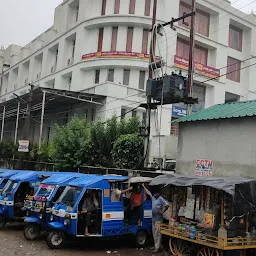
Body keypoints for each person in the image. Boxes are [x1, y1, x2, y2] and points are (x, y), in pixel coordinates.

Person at [142, 184, 169, 253]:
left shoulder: (160, 198)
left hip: (158, 219)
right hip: (153, 218)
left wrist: (162, 211)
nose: (154, 194)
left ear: (159, 193)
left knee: (158, 233)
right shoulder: (153, 197)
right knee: (154, 233)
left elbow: (167, 205)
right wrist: (143, 186)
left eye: (156, 193)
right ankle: (156, 246)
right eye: (154, 193)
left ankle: (157, 247)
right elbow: (148, 192)